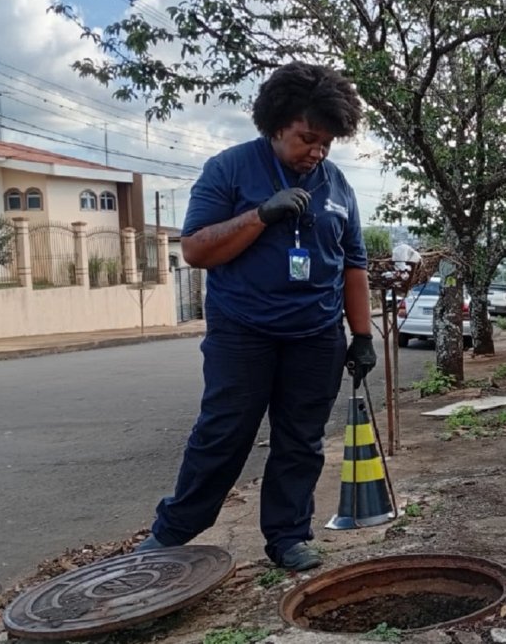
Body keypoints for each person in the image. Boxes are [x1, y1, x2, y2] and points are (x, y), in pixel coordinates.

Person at [136, 62, 376, 572]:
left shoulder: (339, 188)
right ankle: (172, 532)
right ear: (275, 126)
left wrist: (361, 335)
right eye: (307, 138)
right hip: (243, 332)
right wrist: (261, 215)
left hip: (315, 336)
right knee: (224, 432)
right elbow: (197, 251)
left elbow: (353, 264)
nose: (316, 152)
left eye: (327, 143)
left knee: (301, 440)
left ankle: (288, 537)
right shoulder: (229, 169)